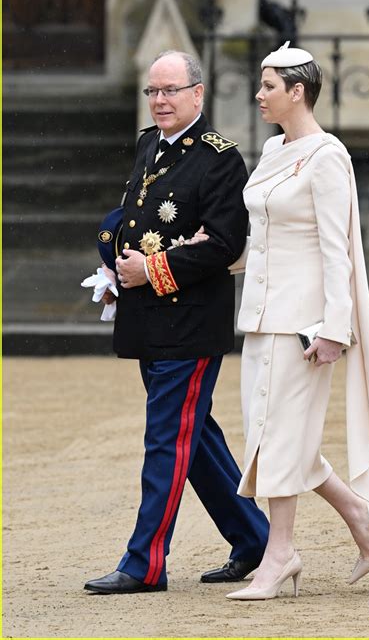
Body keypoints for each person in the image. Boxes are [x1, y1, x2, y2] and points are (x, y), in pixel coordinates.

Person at [221, 42, 369, 600]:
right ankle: (363, 522)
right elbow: (260, 234)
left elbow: (338, 250)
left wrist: (336, 328)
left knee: (280, 438)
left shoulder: (328, 156)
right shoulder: (271, 150)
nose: (259, 95)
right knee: (271, 433)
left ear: (297, 91)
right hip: (260, 314)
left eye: (268, 86)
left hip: (305, 321)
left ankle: (279, 555)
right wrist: (206, 253)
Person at [84, 50, 269, 595]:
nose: (160, 101)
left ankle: (145, 563)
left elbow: (226, 245)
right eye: (153, 91)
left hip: (190, 325)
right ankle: (254, 537)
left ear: (198, 94)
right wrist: (113, 259)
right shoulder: (149, 143)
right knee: (196, 437)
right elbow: (135, 216)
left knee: (166, 439)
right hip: (149, 320)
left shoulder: (221, 159)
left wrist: (152, 269)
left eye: (170, 91)